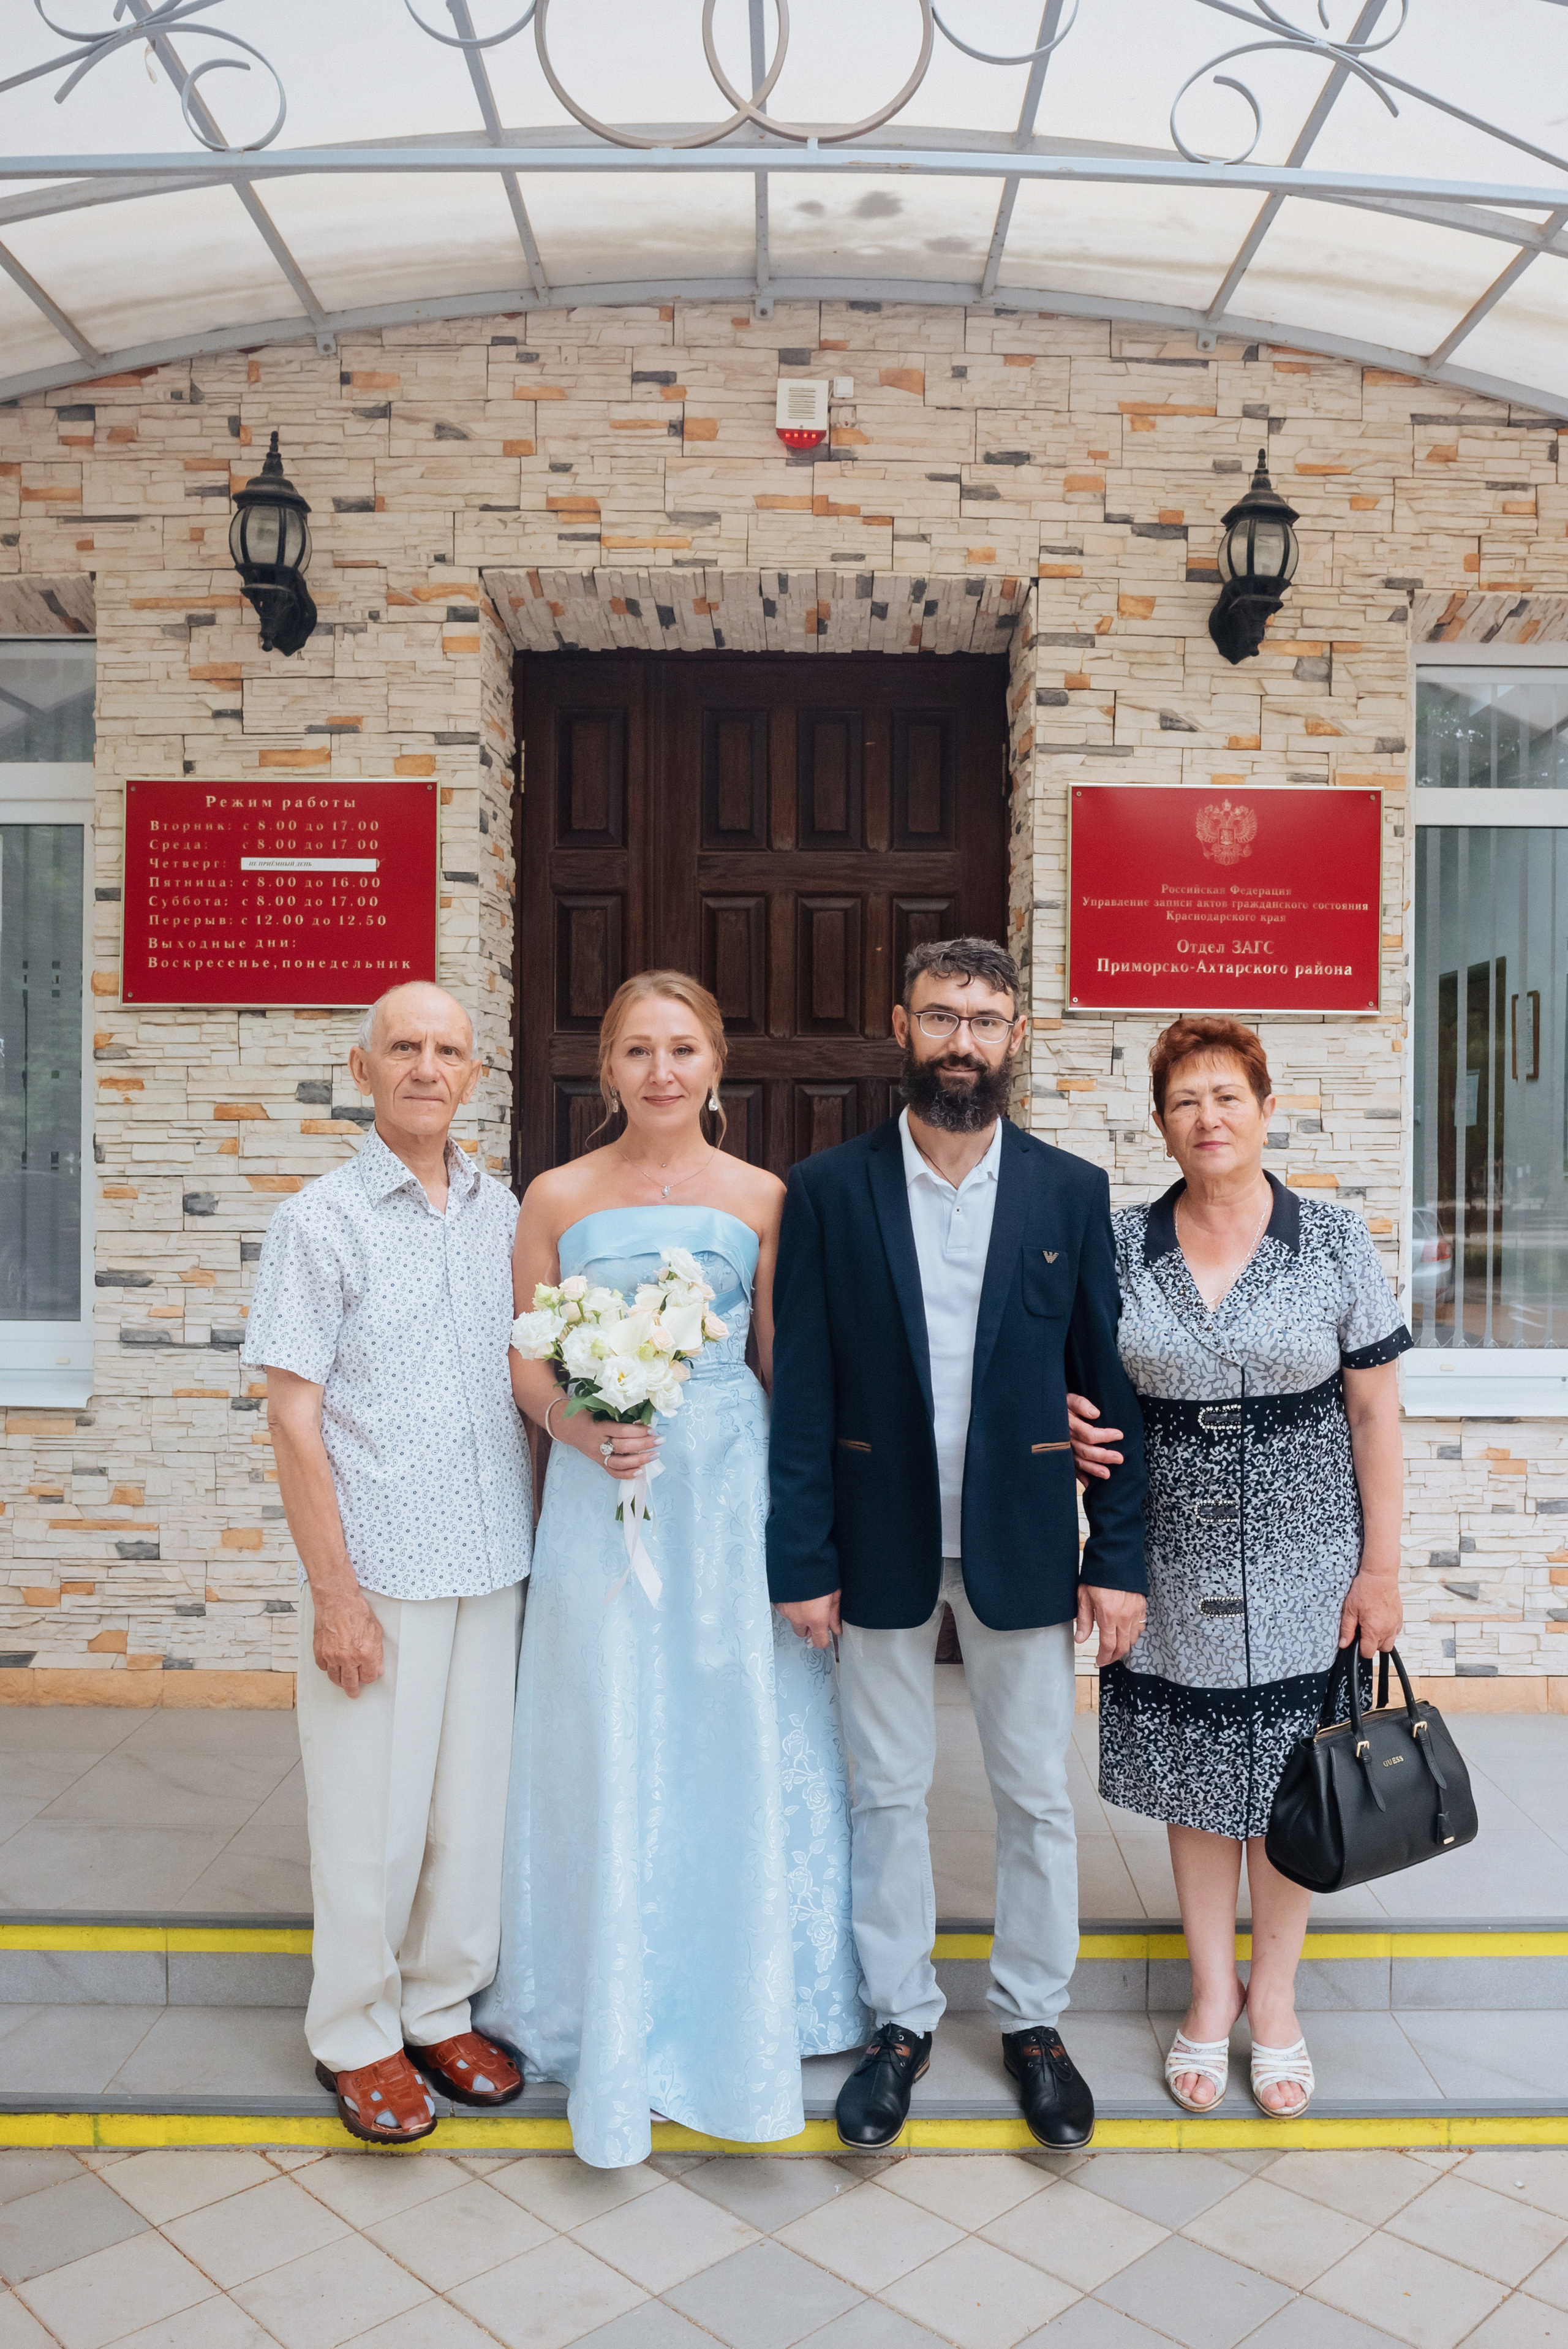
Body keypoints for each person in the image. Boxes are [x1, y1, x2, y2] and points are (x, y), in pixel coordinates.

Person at [767, 937, 1148, 2152]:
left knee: (1035, 1797)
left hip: (1024, 1542)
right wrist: (800, 1558)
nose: (961, 1044)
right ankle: (899, 2022)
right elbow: (805, 1391)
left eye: (984, 1022)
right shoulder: (828, 1190)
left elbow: (1108, 1389)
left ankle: (1033, 2022)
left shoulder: (1066, 1193)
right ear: (900, 1026)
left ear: (1016, 1038)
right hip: (876, 1539)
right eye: (940, 1019)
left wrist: (1117, 1556)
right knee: (884, 1793)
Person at [480, 970, 866, 2168]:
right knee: (601, 1720)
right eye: (637, 1050)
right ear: (606, 1070)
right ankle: (587, 1995)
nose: (660, 1071)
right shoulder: (552, 1196)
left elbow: (775, 1369)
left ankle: (745, 1992)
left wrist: (807, 1542)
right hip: (601, 1495)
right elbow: (526, 1361)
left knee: (720, 1723)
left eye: (682, 1048)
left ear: (716, 1067)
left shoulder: (762, 1198)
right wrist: (579, 1433)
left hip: (723, 1493)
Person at [1068, 1015, 1409, 2118]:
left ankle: (1277, 2002)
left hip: (1313, 1551)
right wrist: (1072, 1426)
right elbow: (1078, 1381)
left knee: (1294, 1777)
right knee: (1203, 1782)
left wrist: (1384, 1567)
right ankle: (1211, 1994)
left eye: (1227, 1094)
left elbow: (1374, 1412)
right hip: (1171, 1548)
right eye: (1184, 1100)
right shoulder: (1120, 1245)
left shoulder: (1335, 1239)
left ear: (1267, 1107)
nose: (1207, 1117)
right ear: (1159, 1123)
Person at [244, 983, 532, 2145]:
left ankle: (439, 2003)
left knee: (470, 1812)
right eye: (403, 1047)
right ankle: (357, 2030)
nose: (427, 1065)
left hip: (492, 1560)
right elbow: (292, 1419)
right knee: (371, 1820)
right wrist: (335, 1596)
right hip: (381, 1574)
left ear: (474, 1074)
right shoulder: (320, 1219)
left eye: (448, 1049)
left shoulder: (503, 1211)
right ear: (362, 1071)